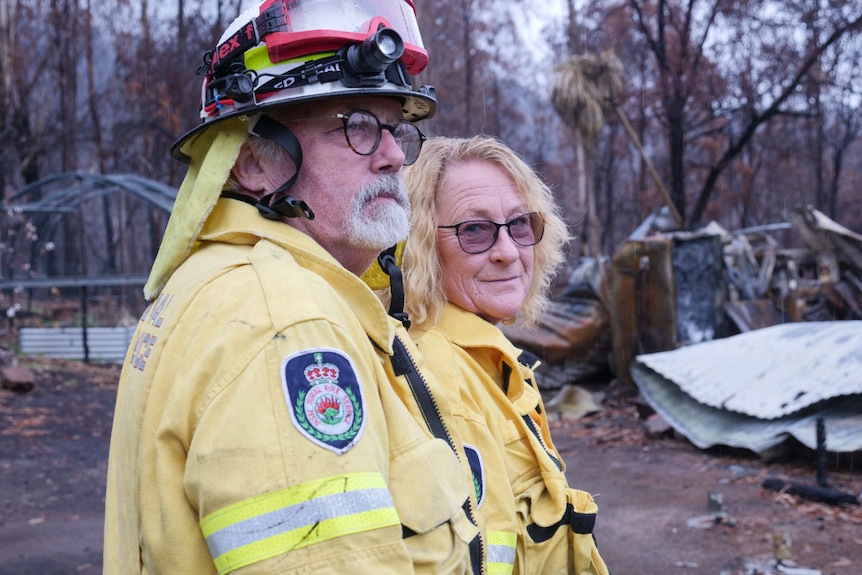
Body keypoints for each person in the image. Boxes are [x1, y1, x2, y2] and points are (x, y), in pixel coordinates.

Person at [103, 2, 482, 574]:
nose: (394, 156)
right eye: (355, 127)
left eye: (396, 129)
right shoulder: (286, 322)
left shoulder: (222, 286)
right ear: (255, 163)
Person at [395, 135, 611, 575]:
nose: (509, 252)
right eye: (474, 230)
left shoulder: (489, 361)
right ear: (419, 245)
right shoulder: (440, 376)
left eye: (519, 224)